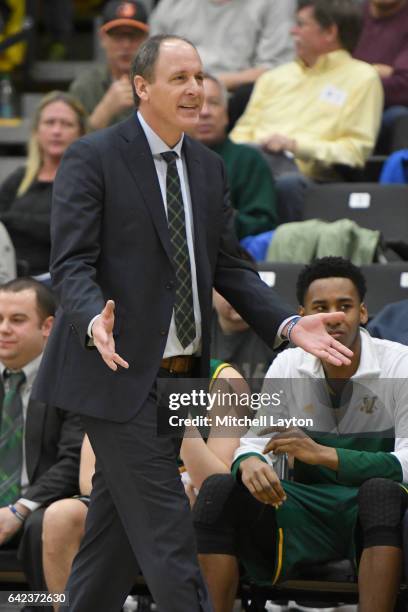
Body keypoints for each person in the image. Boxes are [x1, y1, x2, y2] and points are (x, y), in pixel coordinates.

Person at [33, 35, 353, 612]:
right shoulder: (94, 155)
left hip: (181, 377)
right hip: (115, 371)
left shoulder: (207, 168)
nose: (195, 90)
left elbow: (230, 267)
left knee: (109, 547)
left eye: (200, 77)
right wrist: (89, 322)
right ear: (142, 86)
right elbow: (72, 263)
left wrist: (287, 324)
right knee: (170, 546)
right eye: (179, 78)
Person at [195, 257, 408, 612]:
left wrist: (325, 455)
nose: (333, 317)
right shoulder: (289, 364)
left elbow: (407, 463)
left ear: (364, 313)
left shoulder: (399, 363)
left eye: (345, 306)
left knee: (381, 494)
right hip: (302, 504)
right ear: (302, 315)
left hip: (371, 505)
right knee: (219, 489)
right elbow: (252, 441)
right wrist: (249, 462)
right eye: (320, 307)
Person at [230, 0, 383, 222]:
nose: (293, 31)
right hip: (255, 172)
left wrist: (295, 146)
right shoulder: (273, 77)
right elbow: (240, 134)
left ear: (330, 31)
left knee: (288, 183)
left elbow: (354, 151)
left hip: (310, 180)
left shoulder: (362, 77)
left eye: (301, 24)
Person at [0, 278, 83, 594]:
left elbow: (72, 461)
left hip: (42, 504)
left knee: (41, 525)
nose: (4, 329)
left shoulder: (72, 380)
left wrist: (19, 508)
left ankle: (45, 604)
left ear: (48, 326)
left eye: (17, 320)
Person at [149, 0, 295, 126]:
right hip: (178, 92)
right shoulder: (172, 4)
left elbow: (277, 69)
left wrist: (214, 84)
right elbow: (153, 59)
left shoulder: (276, 4)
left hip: (239, 101)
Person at [0, 91, 87, 276]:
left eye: (66, 124)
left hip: (59, 279)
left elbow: (64, 231)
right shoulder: (21, 177)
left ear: (80, 132)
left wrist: (11, 219)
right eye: (50, 122)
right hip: (11, 276)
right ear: (36, 131)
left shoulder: (88, 180)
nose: (57, 131)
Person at [189, 74, 277, 239]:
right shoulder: (166, 159)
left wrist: (219, 217)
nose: (205, 112)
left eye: (214, 103)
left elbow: (263, 224)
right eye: (195, 104)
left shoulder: (248, 160)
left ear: (227, 112)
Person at [69, 0, 149, 130]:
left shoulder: (160, 84)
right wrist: (106, 110)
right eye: (117, 36)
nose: (126, 45)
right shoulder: (85, 87)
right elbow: (72, 146)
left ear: (146, 39)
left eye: (133, 36)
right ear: (102, 38)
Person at [353, 0, 408, 153]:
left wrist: (352, 77)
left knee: (400, 116)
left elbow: (403, 87)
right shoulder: (349, 15)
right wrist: (374, 72)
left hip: (384, 114)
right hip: (337, 106)